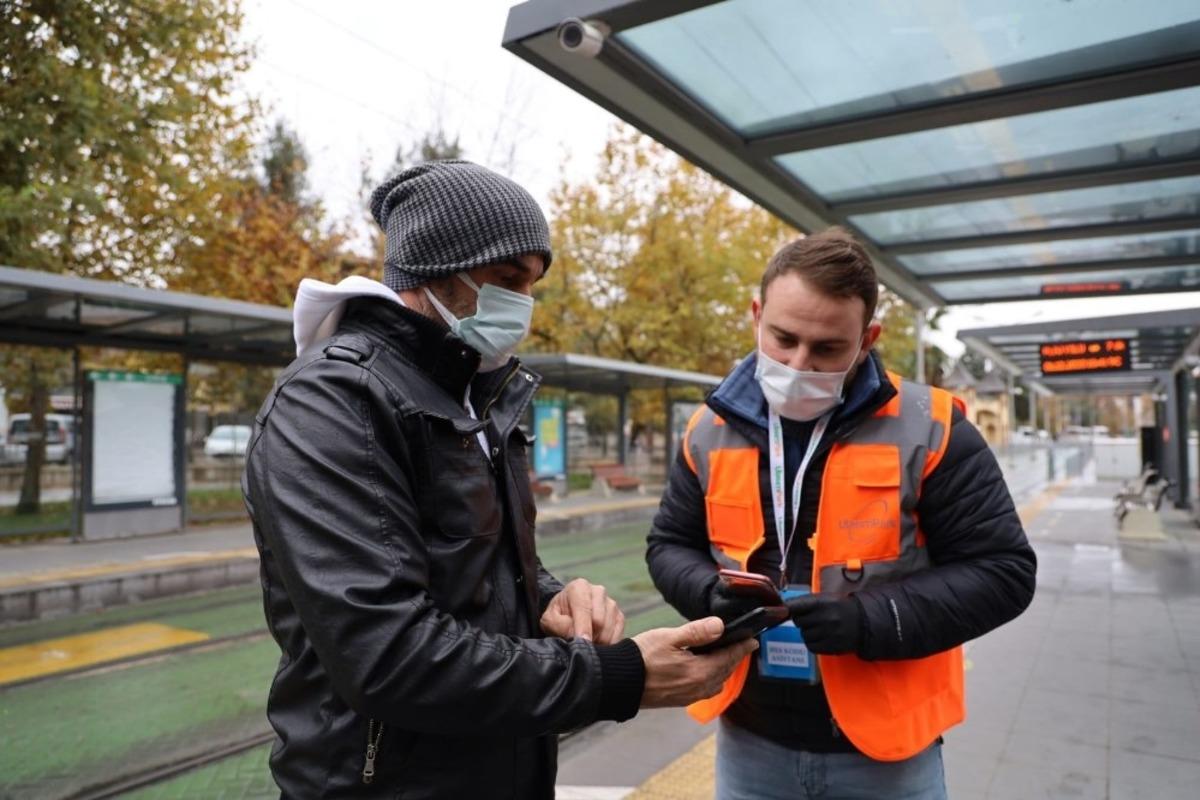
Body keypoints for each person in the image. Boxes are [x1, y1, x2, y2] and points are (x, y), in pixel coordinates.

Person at [242, 160, 755, 799]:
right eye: (507, 279)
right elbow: (386, 654)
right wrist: (620, 676)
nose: (524, 303)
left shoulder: (472, 393)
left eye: (532, 283)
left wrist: (548, 600)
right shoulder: (331, 401)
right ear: (433, 270)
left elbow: (476, 560)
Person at [646, 228, 1037, 799]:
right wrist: (707, 592)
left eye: (827, 348)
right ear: (756, 315)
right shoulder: (708, 429)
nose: (798, 363)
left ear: (867, 338)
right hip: (748, 740)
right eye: (783, 338)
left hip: (888, 755)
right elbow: (668, 545)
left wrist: (868, 621)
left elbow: (1004, 572)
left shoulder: (933, 427)